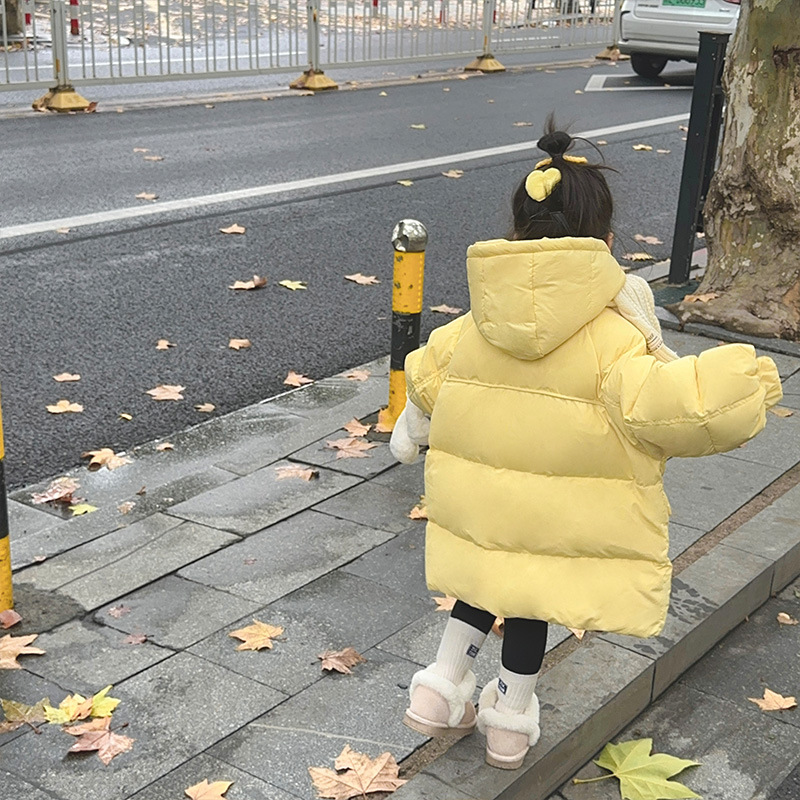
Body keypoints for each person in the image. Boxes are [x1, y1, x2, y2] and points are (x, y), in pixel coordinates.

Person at [389, 120, 782, 771]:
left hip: (481, 510)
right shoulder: (615, 337)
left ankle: (437, 690)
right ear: (603, 243)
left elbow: (428, 376)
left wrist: (412, 432)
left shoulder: (479, 323)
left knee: (482, 586)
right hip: (555, 523)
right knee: (530, 608)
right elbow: (661, 405)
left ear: (517, 234)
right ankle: (510, 722)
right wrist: (734, 388)